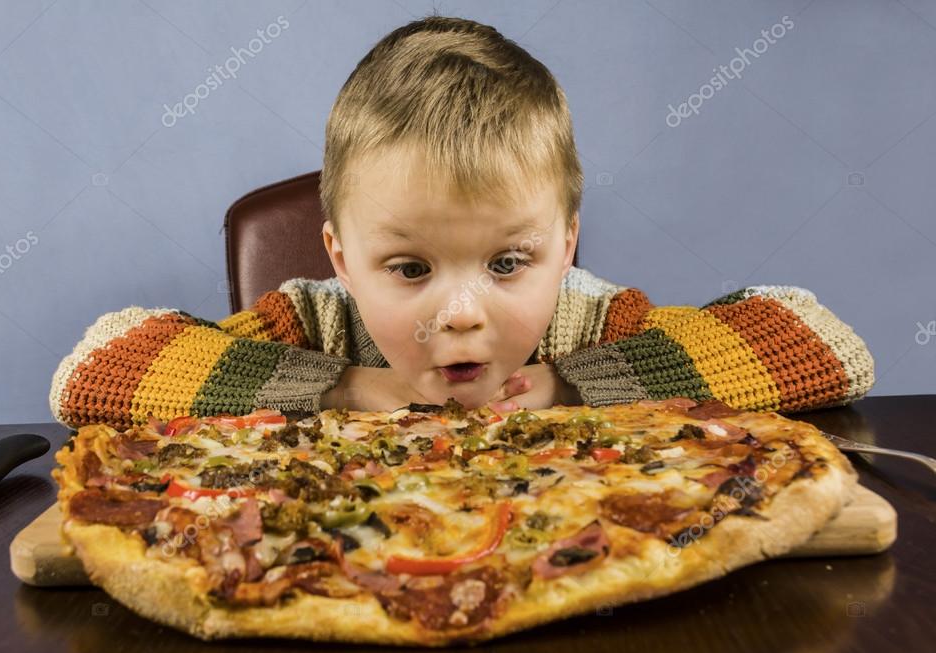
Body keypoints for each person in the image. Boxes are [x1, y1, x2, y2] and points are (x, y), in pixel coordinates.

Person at [49, 16, 874, 431]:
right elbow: (92, 371)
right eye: (409, 268)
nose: (461, 311)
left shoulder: (590, 323)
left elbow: (819, 343)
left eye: (508, 263)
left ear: (565, 245)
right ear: (339, 256)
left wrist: (570, 387)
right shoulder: (308, 324)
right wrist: (341, 389)